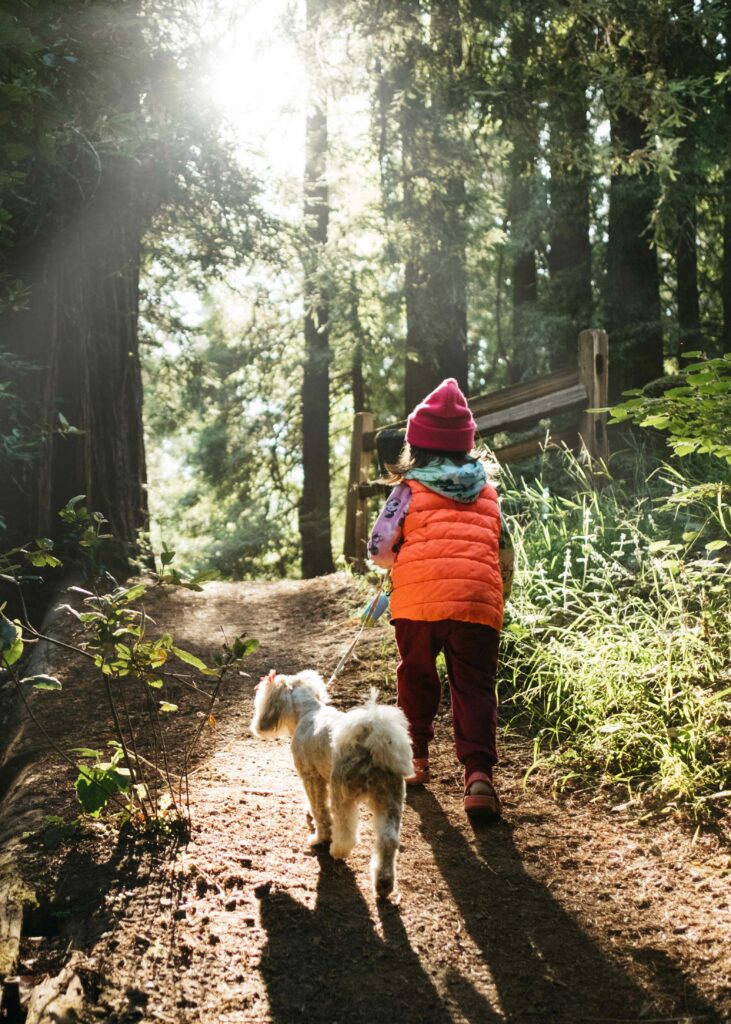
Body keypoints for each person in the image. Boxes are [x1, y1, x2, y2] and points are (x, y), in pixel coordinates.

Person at [367, 377, 514, 818]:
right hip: (477, 602)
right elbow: (502, 549)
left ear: (417, 447)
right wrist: (496, 595)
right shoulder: (488, 491)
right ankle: (479, 777)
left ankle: (415, 761)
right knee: (474, 687)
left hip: (418, 605)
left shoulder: (407, 491)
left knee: (416, 676)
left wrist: (397, 560)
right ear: (466, 445)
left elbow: (379, 549)